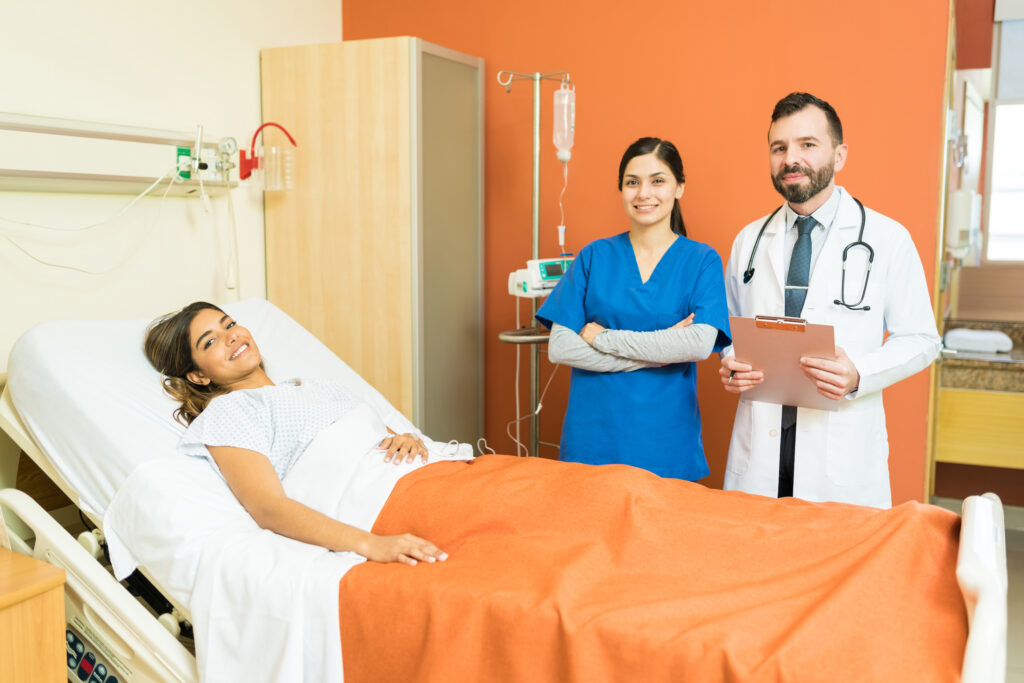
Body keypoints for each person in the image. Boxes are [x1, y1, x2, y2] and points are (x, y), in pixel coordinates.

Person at [719, 92, 941, 508]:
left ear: (839, 155)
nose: (790, 159)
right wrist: (732, 364)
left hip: (840, 455)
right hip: (761, 451)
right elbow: (734, 330)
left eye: (807, 145)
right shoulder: (748, 241)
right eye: (779, 148)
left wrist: (859, 372)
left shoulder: (887, 238)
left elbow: (922, 339)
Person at [143, 301, 449, 566]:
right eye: (210, 342)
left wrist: (408, 438)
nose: (232, 336)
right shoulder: (230, 412)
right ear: (198, 375)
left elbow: (389, 437)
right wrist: (370, 544)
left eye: (230, 324)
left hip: (431, 475)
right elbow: (268, 508)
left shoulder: (316, 387)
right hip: (388, 503)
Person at [536, 137, 731, 479]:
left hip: (665, 441)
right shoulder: (594, 256)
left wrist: (603, 337)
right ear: (621, 190)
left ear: (679, 187)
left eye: (658, 180)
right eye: (632, 182)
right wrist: (662, 349)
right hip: (592, 440)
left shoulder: (701, 260)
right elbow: (561, 347)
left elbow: (697, 344)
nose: (644, 193)